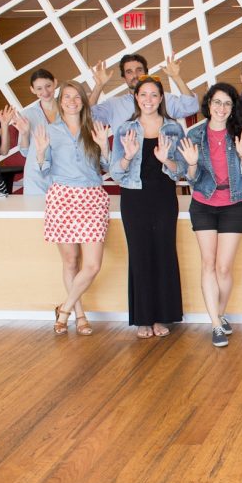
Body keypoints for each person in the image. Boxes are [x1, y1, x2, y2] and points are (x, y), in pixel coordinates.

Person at [176, 83, 242, 348]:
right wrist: (190, 163)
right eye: (217, 103)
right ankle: (215, 324)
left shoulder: (241, 134)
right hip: (204, 202)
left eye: (227, 104)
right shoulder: (195, 134)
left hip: (235, 202)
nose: (221, 108)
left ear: (232, 109)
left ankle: (219, 315)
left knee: (223, 267)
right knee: (208, 264)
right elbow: (190, 177)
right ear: (208, 105)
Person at [31, 81, 111, 335]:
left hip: (92, 197)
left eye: (77, 97)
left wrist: (105, 147)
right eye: (67, 96)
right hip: (62, 197)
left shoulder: (93, 128)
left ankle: (63, 309)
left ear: (84, 101)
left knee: (92, 265)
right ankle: (79, 314)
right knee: (70, 261)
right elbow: (44, 172)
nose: (72, 101)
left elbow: (107, 167)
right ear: (60, 100)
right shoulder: (50, 131)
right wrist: (41, 154)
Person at [109, 76, 185, 340]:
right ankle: (143, 319)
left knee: (164, 253)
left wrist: (168, 162)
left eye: (154, 95)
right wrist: (128, 156)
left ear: (161, 98)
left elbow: (182, 171)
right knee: (140, 255)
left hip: (164, 197)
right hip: (134, 198)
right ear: (136, 97)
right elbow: (115, 173)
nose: (149, 100)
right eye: (144, 95)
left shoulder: (174, 129)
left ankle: (164, 316)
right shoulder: (124, 130)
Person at [89, 53, 198, 131]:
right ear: (124, 77)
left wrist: (176, 77)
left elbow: (190, 107)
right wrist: (98, 86)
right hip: (127, 162)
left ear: (147, 73)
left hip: (162, 161)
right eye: (129, 72)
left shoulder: (164, 98)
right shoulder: (113, 105)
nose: (135, 75)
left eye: (139, 70)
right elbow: (87, 116)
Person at [13, 69, 58, 196]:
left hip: (62, 176)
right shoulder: (27, 115)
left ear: (55, 83)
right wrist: (25, 133)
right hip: (37, 178)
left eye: (48, 86)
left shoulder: (68, 111)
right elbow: (25, 152)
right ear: (32, 90)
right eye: (39, 88)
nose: (45, 92)